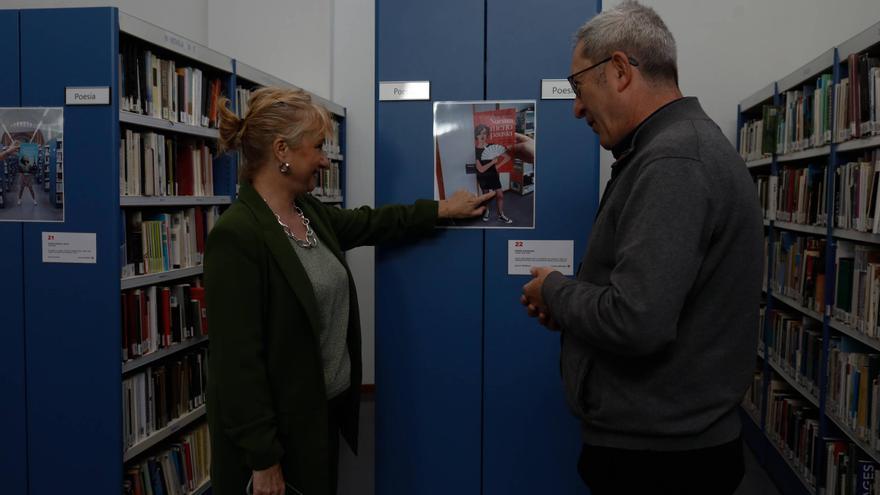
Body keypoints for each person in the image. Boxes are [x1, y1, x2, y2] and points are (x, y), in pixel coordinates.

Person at [520, 2, 762, 494]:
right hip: (661, 447)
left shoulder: (674, 160)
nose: (576, 108)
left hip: (663, 463)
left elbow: (637, 320)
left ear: (619, 70)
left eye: (578, 88)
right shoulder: (665, 149)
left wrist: (559, 292)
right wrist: (568, 307)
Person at [205, 87, 492, 495]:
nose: (325, 159)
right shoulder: (237, 235)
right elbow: (237, 364)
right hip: (278, 436)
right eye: (318, 147)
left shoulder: (308, 212)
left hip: (320, 418)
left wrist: (442, 209)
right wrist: (263, 457)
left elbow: (369, 223)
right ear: (282, 150)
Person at [474, 124, 513, 224]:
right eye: (480, 133)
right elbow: (481, 169)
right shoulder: (475, 151)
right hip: (483, 176)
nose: (482, 136)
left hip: (493, 175)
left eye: (485, 133)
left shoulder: (491, 146)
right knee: (486, 196)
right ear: (476, 136)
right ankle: (487, 211)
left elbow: (507, 157)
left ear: (487, 135)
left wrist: (498, 166)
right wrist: (492, 162)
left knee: (500, 195)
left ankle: (501, 215)